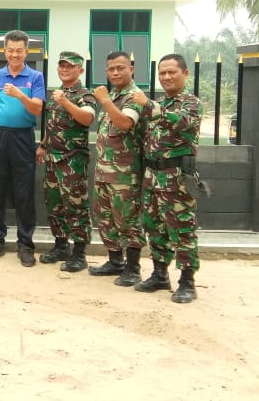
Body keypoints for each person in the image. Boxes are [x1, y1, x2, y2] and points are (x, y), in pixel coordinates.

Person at [131, 54, 202, 303]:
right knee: (154, 226)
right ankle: (160, 274)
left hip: (176, 177)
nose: (166, 77)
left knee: (181, 228)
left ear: (185, 74)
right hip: (152, 175)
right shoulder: (160, 103)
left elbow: (182, 123)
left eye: (172, 72)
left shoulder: (190, 103)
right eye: (162, 73)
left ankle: (187, 281)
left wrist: (148, 105)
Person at [0, 30, 45, 266]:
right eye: (11, 50)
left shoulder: (35, 77)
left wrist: (19, 95)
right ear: (4, 51)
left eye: (19, 50)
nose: (15, 54)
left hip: (23, 139)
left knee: (24, 192)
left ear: (26, 51)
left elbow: (37, 109)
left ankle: (25, 244)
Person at [36, 51, 97, 272]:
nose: (64, 69)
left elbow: (87, 118)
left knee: (76, 206)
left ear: (80, 70)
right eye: (61, 66)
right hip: (52, 160)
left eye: (69, 66)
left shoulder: (85, 95)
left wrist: (66, 102)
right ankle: (61, 246)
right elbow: (54, 126)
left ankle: (79, 253)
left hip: (72, 161)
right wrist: (43, 144)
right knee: (54, 205)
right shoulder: (57, 94)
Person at [89, 51, 146, 286]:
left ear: (131, 69)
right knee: (105, 219)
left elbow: (124, 123)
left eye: (120, 68)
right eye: (111, 69)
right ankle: (115, 261)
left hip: (125, 174)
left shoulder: (135, 96)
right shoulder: (112, 95)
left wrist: (104, 101)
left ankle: (133, 268)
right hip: (104, 171)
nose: (115, 72)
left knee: (127, 221)